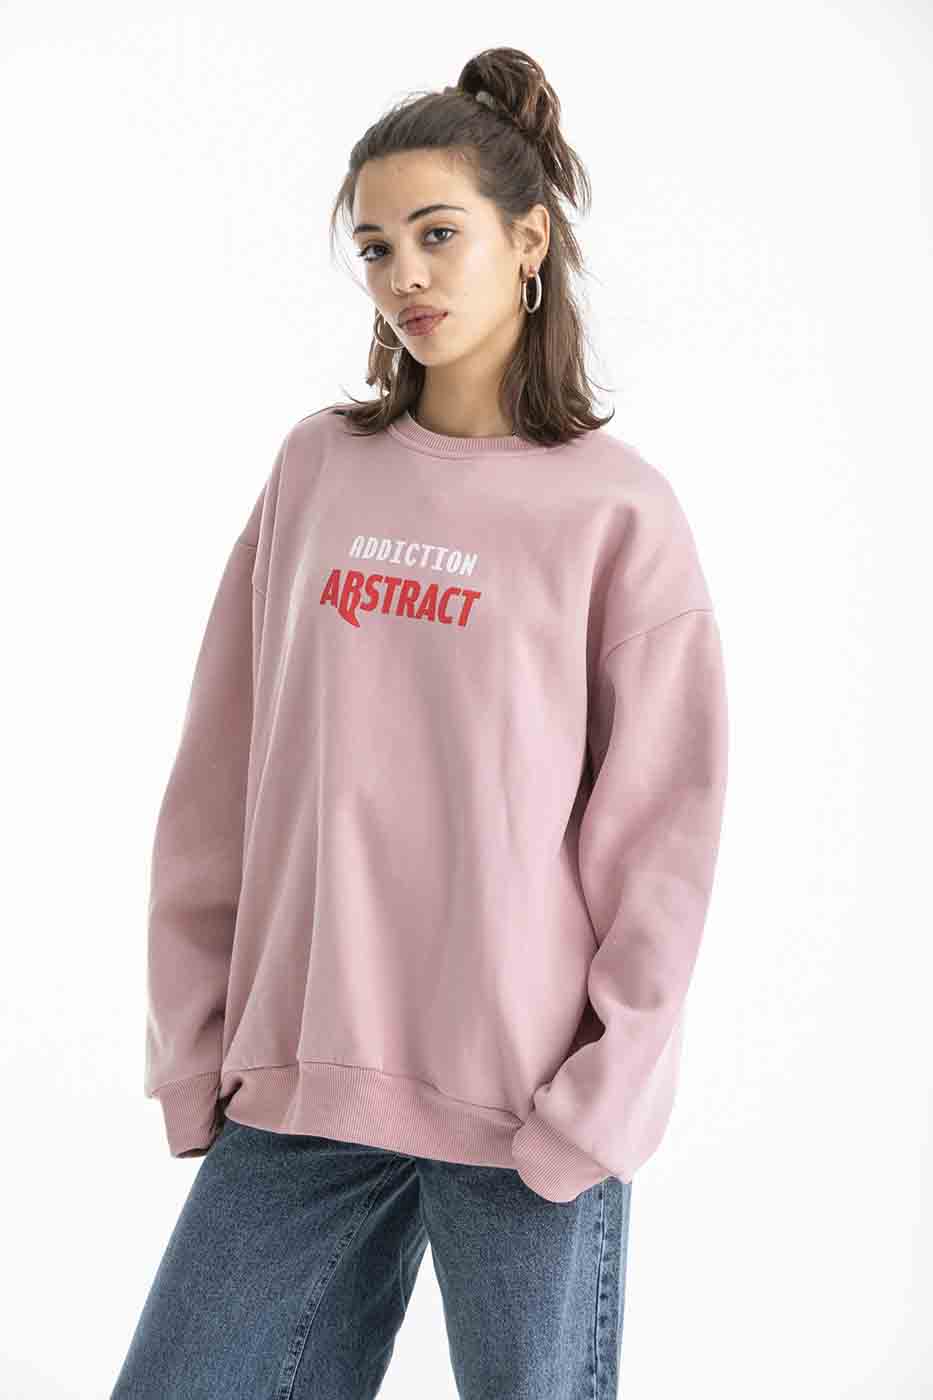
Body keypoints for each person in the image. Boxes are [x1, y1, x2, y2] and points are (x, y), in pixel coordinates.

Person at [111, 44, 728, 1400]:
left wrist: (603, 1098)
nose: (405, 276)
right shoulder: (318, 469)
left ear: (528, 241)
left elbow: (662, 841)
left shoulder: (615, 512)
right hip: (300, 1081)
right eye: (377, 247)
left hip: (526, 1110)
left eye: (439, 234)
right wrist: (193, 1039)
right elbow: (219, 771)